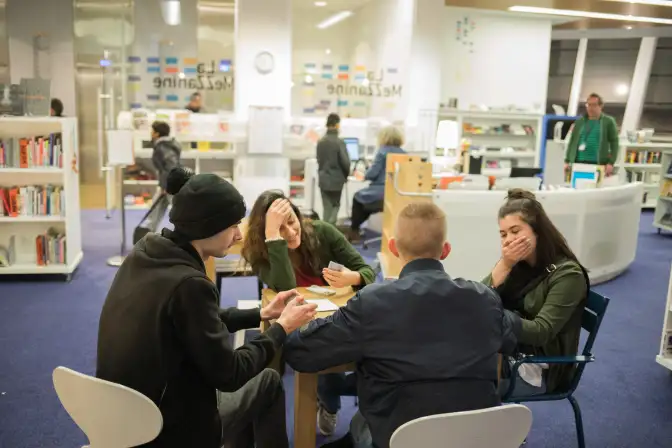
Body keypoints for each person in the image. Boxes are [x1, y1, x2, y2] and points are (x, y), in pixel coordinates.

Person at [97, 167, 318, 448]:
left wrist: (260, 314)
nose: (239, 235)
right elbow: (231, 374)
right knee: (269, 382)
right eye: (234, 225)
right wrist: (281, 328)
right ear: (209, 228)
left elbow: (194, 323)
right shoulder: (190, 284)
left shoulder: (146, 252)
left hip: (119, 414)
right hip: (166, 428)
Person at [285, 202, 511, 448]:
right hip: (478, 437)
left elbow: (300, 352)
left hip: (399, 437)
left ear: (392, 248)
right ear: (445, 251)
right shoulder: (486, 300)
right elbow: (513, 339)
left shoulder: (373, 302)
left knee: (361, 424)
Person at [483, 189, 589, 398]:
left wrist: (495, 318)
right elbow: (480, 298)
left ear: (537, 232)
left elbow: (542, 332)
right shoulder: (518, 267)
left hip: (538, 369)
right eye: (503, 234)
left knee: (456, 384)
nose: (507, 240)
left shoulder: (568, 274)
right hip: (509, 354)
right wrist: (504, 265)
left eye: (515, 231)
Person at [242, 190, 376, 292]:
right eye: (280, 228)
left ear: (298, 216)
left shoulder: (323, 231)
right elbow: (286, 290)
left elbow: (368, 272)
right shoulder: (257, 252)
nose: (291, 232)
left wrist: (353, 277)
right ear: (266, 233)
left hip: (332, 312)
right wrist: (274, 238)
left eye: (291, 221)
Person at [348, 126, 406, 243]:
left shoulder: (382, 152)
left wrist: (364, 174)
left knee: (358, 198)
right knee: (365, 201)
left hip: (381, 192)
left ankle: (354, 232)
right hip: (397, 193)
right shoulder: (405, 154)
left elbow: (372, 174)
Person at [564, 93, 619, 177]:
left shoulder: (608, 121)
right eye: (588, 105)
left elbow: (614, 143)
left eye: (594, 105)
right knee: (577, 187)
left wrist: (611, 163)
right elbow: (572, 142)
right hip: (578, 162)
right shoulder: (579, 122)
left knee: (595, 189)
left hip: (598, 163)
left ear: (601, 106)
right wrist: (567, 161)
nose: (591, 108)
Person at [143, 121, 181, 233]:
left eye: (152, 131)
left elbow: (170, 166)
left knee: (179, 212)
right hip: (169, 183)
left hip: (170, 184)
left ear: (157, 133)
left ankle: (188, 237)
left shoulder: (163, 147)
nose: (151, 133)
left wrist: (166, 185)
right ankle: (149, 232)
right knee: (157, 208)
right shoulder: (167, 144)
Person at [317, 113, 350, 225]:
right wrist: (346, 176)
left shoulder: (320, 142)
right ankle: (331, 229)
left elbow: (319, 160)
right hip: (337, 180)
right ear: (337, 125)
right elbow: (345, 162)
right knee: (335, 205)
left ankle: (324, 232)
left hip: (323, 179)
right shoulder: (339, 142)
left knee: (327, 208)